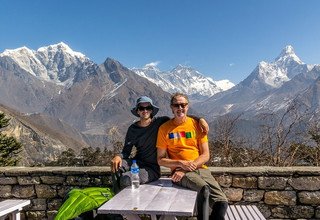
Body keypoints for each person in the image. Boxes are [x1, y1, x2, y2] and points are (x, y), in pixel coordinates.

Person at [111, 96, 208, 193]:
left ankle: (126, 200)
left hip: (152, 167)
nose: (145, 110)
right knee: (116, 166)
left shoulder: (161, 122)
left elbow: (180, 116)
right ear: (137, 111)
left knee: (126, 179)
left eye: (148, 108)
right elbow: (126, 151)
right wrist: (118, 156)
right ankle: (115, 196)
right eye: (141, 108)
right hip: (137, 162)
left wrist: (200, 120)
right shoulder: (133, 129)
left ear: (151, 110)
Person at [156, 92, 228, 220]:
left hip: (200, 169)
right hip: (179, 172)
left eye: (183, 104)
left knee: (221, 202)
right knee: (204, 190)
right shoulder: (164, 129)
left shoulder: (197, 125)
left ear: (187, 106)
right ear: (171, 108)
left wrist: (187, 167)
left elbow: (206, 155)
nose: (180, 108)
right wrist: (180, 164)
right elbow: (160, 160)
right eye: (176, 105)